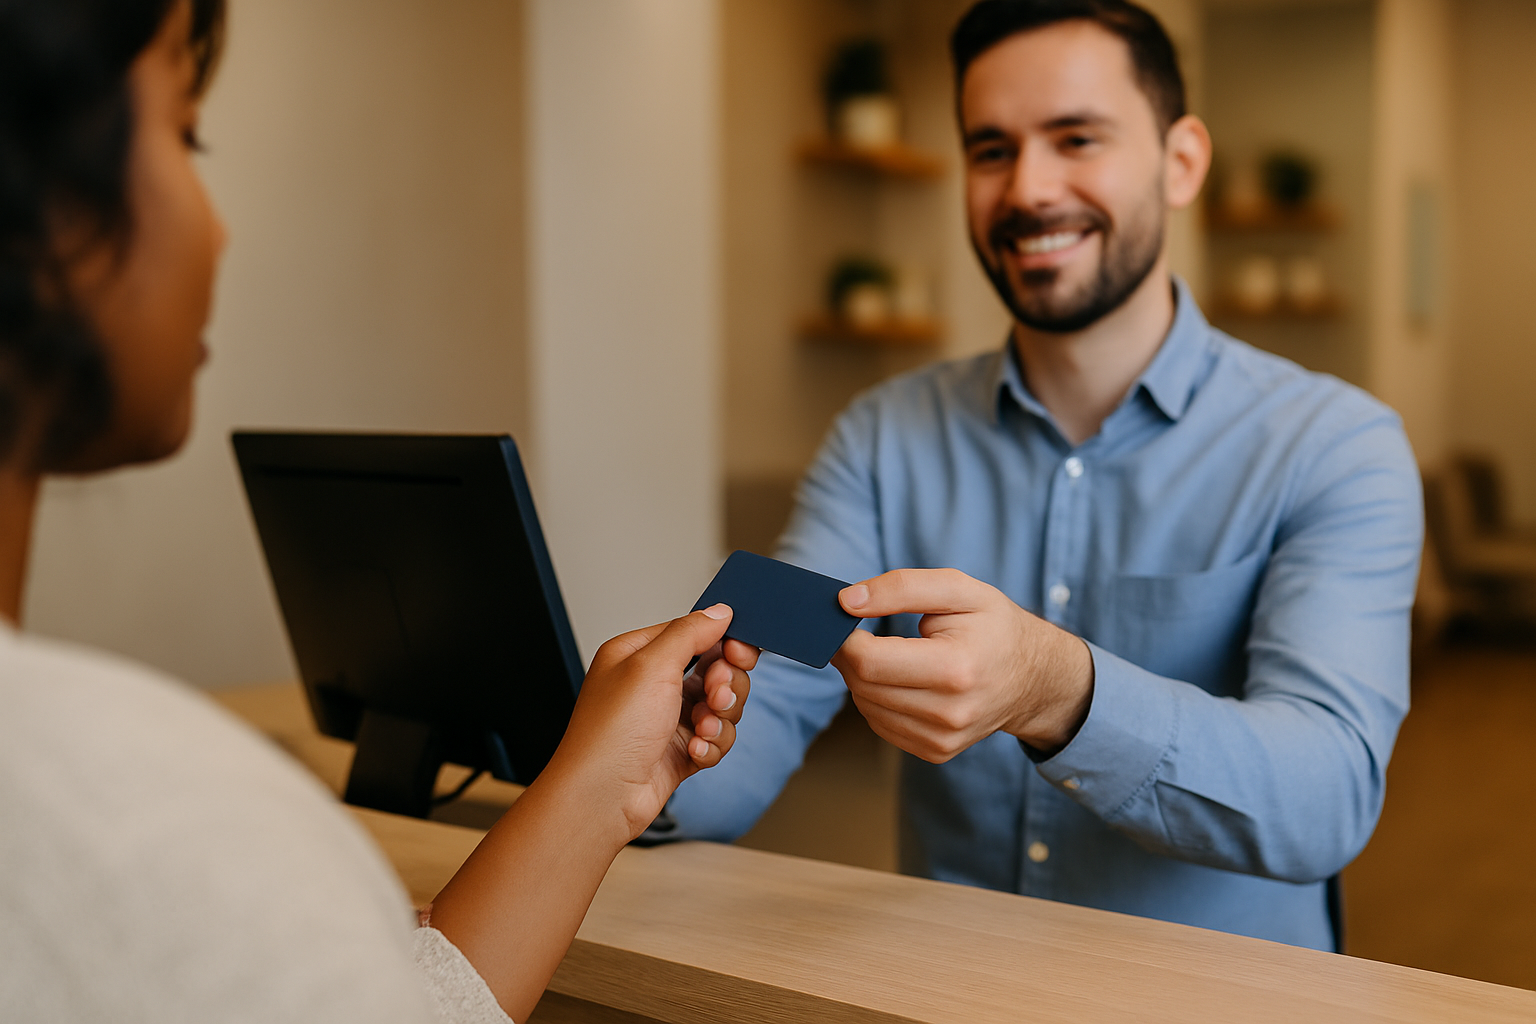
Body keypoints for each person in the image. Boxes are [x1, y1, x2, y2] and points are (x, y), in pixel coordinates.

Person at [0, 2, 757, 1021]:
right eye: (186, 133)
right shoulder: (152, 832)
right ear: (46, 202)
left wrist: (597, 789)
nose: (219, 225)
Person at [656, 0, 1422, 952]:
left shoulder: (1336, 444)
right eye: (991, 150)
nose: (1029, 189)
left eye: (1076, 138)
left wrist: (1059, 690)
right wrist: (624, 768)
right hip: (943, 999)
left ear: (1181, 161)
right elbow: (761, 705)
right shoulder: (882, 436)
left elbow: (1328, 796)